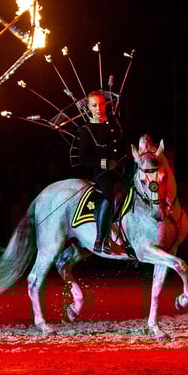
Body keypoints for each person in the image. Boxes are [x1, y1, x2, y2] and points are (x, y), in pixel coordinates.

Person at [77, 90, 127, 254]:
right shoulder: (86, 129)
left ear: (106, 104)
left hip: (121, 169)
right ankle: (101, 238)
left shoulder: (114, 122)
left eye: (101, 104)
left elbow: (122, 144)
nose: (98, 108)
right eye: (94, 105)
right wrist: (104, 163)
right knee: (109, 195)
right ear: (89, 108)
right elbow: (83, 159)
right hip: (103, 173)